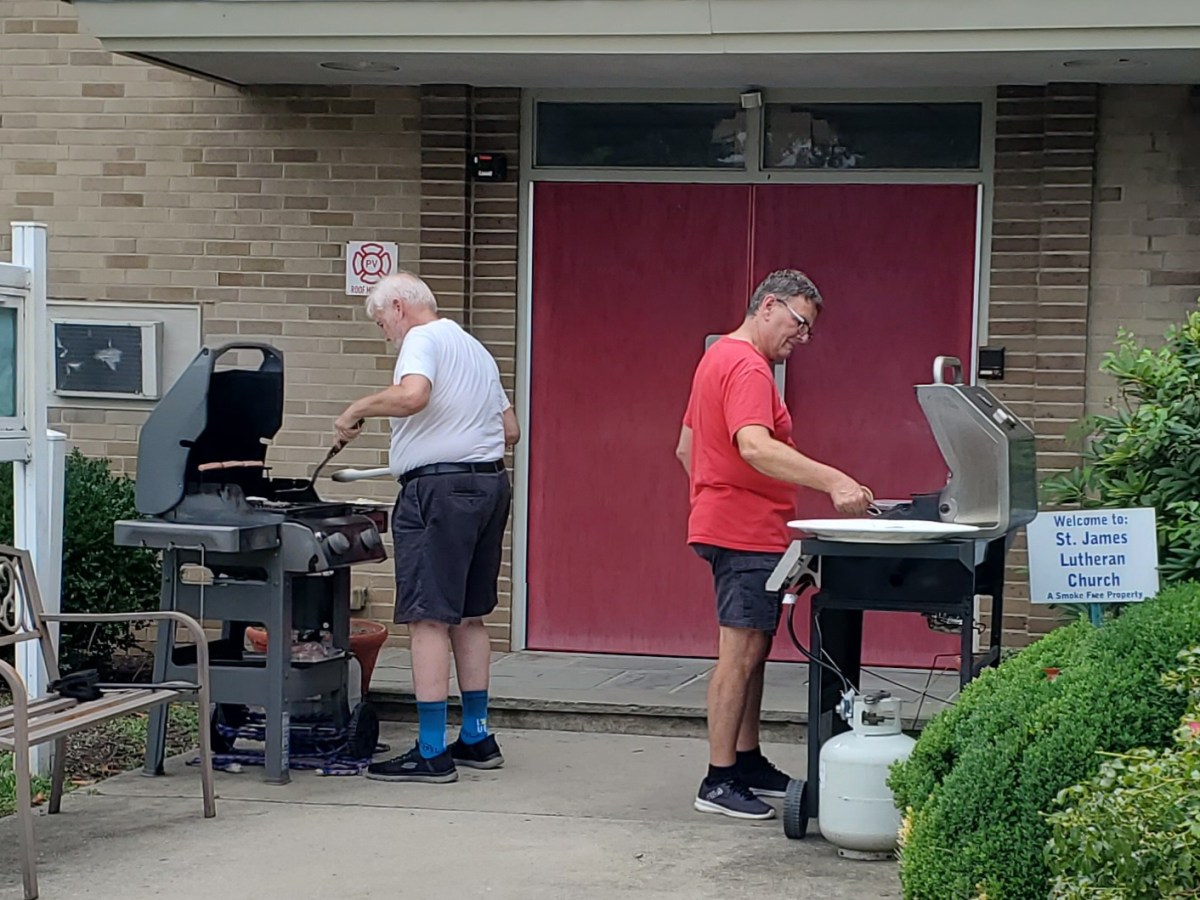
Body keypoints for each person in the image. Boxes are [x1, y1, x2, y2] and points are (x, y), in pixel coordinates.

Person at [676, 269, 872, 820]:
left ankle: (746, 759)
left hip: (733, 524)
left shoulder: (717, 358)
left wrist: (714, 495)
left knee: (755, 650)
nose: (802, 338)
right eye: (799, 323)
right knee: (738, 654)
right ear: (768, 306)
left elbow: (687, 449)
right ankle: (718, 780)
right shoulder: (746, 365)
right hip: (743, 531)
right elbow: (756, 447)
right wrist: (834, 480)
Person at [334, 271, 519, 784]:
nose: (384, 334)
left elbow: (413, 396)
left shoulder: (421, 337)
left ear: (398, 306)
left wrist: (358, 409)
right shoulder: (475, 348)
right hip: (488, 486)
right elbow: (511, 430)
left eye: (380, 323)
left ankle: (432, 749)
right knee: (468, 615)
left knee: (428, 619)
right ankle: (477, 736)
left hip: (438, 492)